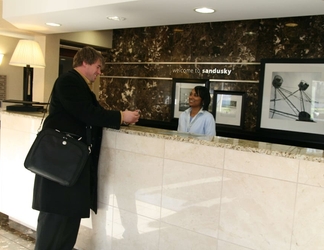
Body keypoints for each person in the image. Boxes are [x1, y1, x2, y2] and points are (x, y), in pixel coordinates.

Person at [32, 46, 140, 250]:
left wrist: (122, 118)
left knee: (68, 220)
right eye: (98, 67)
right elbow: (87, 113)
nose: (100, 72)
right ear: (85, 62)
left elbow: (94, 112)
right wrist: (120, 116)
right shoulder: (68, 81)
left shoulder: (80, 86)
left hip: (69, 165)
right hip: (60, 164)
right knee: (54, 220)